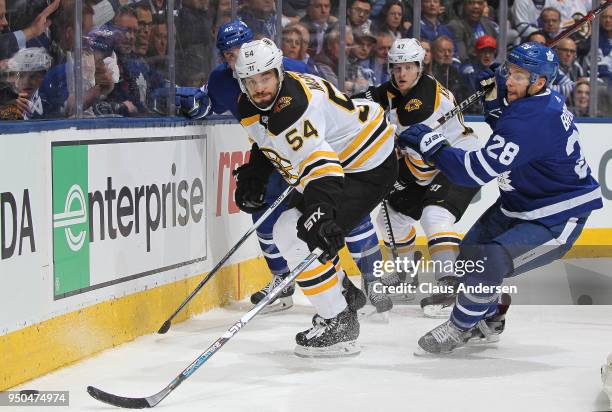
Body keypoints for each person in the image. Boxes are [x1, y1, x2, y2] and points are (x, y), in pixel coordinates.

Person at [398, 41, 603, 354]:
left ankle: (460, 327)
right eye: (511, 72)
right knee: (467, 258)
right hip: (519, 203)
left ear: (540, 82)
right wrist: (493, 103)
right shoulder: (535, 102)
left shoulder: (535, 119)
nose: (509, 80)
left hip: (555, 216)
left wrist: (432, 144)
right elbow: (506, 125)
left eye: (520, 76)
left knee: (485, 262)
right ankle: (490, 318)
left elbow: (473, 171)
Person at [179, 20, 386, 315]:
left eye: (239, 50)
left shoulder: (293, 68)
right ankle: (284, 281)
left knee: (337, 215)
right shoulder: (221, 79)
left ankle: (372, 280)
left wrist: (309, 161)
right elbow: (209, 104)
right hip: (271, 151)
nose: (235, 59)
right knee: (261, 210)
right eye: (228, 54)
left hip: (314, 149)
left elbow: (324, 113)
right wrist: (191, 104)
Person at [234, 38, 397, 356]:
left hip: (367, 163)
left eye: (265, 78)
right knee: (288, 230)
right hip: (339, 159)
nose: (259, 88)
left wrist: (321, 212)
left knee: (302, 235)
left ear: (279, 73)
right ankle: (343, 295)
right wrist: (255, 175)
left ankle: (340, 323)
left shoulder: (295, 107)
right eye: (251, 81)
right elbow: (266, 139)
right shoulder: (250, 104)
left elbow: (322, 167)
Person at [353, 38, 481, 317]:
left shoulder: (420, 105)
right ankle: (406, 275)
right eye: (396, 68)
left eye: (408, 67)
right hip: (427, 160)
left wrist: (391, 176)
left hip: (458, 161)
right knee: (392, 214)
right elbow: (366, 100)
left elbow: (421, 171)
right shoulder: (398, 88)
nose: (401, 74)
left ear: (420, 67)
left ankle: (450, 285)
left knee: (434, 214)